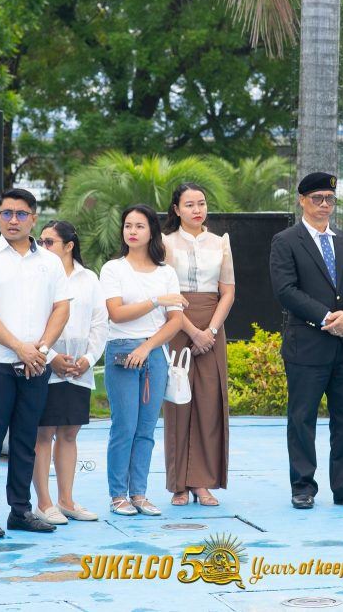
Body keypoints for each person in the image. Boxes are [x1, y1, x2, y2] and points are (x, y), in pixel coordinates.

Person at [0, 188, 72, 537]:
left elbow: (61, 308)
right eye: (7, 213)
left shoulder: (50, 262)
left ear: (33, 219)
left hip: (36, 362)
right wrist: (18, 348)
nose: (14, 220)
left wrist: (40, 349)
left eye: (21, 213)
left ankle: (21, 510)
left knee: (26, 439)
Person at [269, 172, 343, 510]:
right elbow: (286, 290)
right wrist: (329, 318)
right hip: (308, 345)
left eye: (329, 198)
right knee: (302, 419)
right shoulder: (286, 241)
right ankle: (303, 487)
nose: (324, 204)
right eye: (317, 198)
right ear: (302, 200)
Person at [99, 205, 185, 517]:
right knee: (124, 426)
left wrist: (147, 348)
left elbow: (176, 320)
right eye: (127, 225)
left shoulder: (166, 272)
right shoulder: (113, 269)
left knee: (146, 429)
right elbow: (116, 313)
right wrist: (156, 300)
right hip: (122, 350)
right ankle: (118, 495)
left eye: (139, 226)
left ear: (152, 232)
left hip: (155, 353)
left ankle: (139, 493)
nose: (132, 231)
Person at [161, 184, 235, 507]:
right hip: (177, 324)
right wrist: (192, 331)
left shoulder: (220, 243)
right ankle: (178, 484)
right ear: (176, 209)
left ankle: (202, 482)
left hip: (212, 328)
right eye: (189, 204)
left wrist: (211, 331)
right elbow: (166, 293)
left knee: (209, 404)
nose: (197, 210)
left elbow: (228, 292)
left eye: (201, 203)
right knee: (177, 404)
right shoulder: (164, 243)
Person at [31, 221, 107, 525]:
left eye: (49, 242)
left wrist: (88, 358)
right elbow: (29, 321)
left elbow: (100, 322)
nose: (43, 246)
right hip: (44, 364)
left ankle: (66, 500)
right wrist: (51, 357)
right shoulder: (38, 275)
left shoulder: (89, 278)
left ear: (69, 245)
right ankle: (44, 503)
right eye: (41, 241)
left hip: (78, 368)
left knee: (69, 433)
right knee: (43, 433)